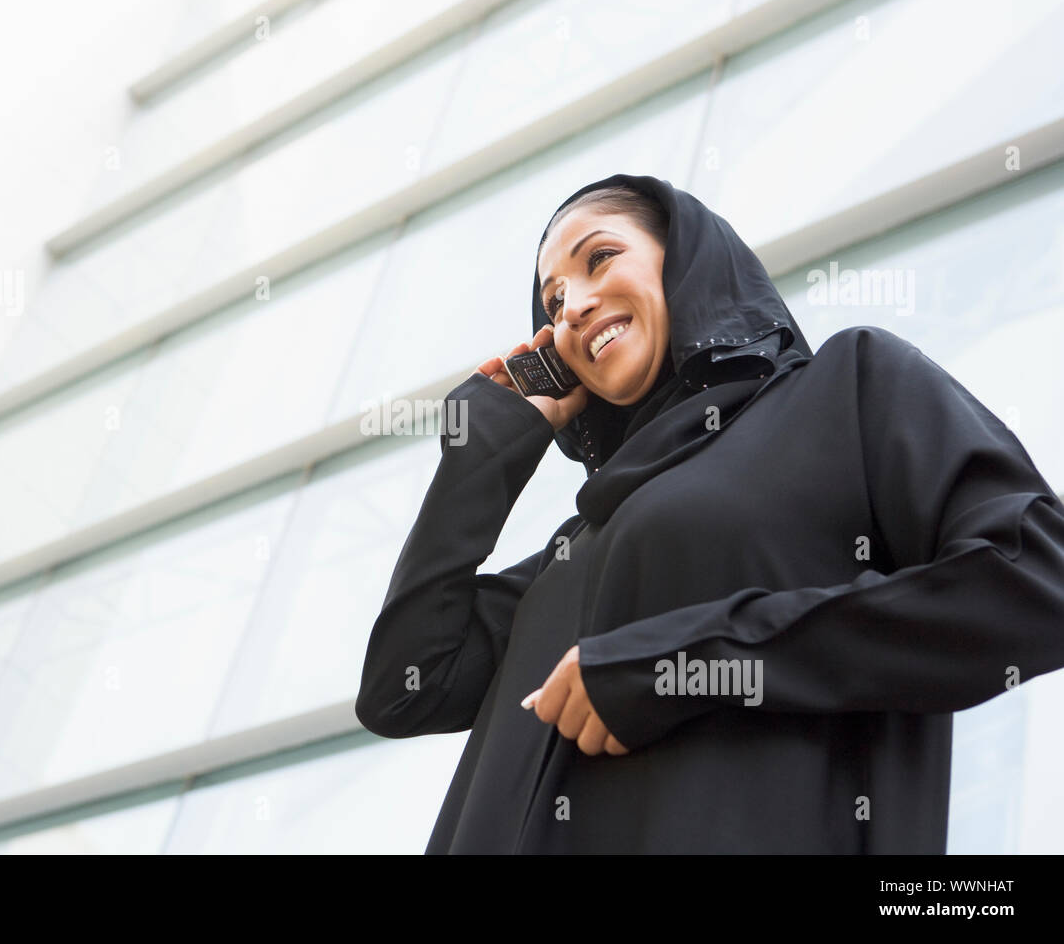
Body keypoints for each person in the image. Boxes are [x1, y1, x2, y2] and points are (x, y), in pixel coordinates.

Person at [354, 173, 1064, 853]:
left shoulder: (845, 390)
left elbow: (1035, 579)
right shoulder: (581, 548)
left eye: (600, 258)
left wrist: (684, 665)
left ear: (688, 261)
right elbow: (403, 687)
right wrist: (479, 454)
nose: (570, 308)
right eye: (553, 301)